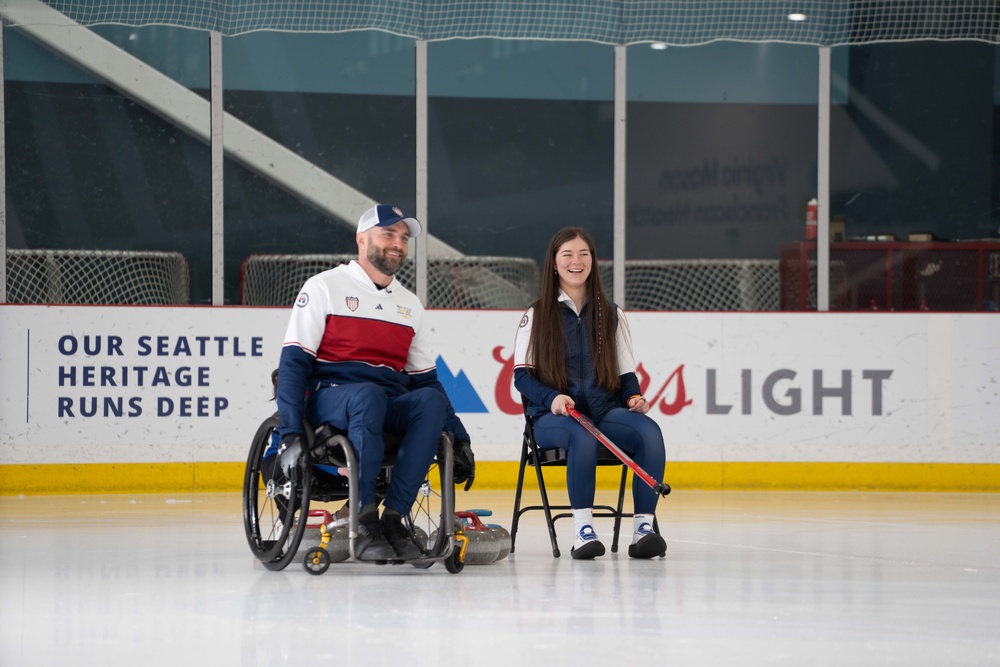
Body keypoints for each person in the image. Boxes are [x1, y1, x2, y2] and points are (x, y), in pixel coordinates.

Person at [273, 204, 475, 561]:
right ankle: (364, 518)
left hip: (383, 403)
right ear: (362, 239)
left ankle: (394, 519)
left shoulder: (409, 304)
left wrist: (460, 438)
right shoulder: (324, 287)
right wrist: (290, 432)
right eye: (388, 234)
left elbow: (428, 381)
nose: (398, 243)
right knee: (368, 395)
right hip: (329, 400)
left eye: (403, 237)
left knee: (429, 401)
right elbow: (293, 364)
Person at [513, 226, 667, 560]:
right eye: (567, 254)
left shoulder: (612, 314)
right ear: (554, 263)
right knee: (582, 435)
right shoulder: (536, 315)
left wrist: (633, 398)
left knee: (649, 432)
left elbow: (625, 373)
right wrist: (552, 399)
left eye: (584, 254)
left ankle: (643, 529)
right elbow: (522, 378)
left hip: (603, 411)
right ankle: (584, 531)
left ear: (593, 262)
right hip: (554, 418)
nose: (576, 261)